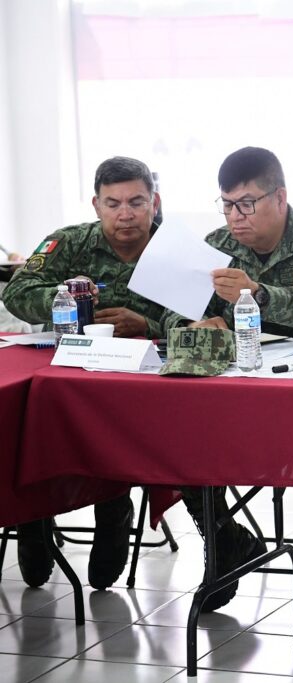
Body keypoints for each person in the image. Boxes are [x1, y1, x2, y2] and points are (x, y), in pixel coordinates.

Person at [162, 147, 293, 642]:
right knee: (174, 437)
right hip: (243, 393)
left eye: (248, 203)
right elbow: (164, 313)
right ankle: (227, 541)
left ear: (280, 197)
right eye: (227, 204)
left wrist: (258, 294)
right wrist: (193, 321)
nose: (236, 216)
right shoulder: (213, 246)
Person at [2, 156, 167, 590]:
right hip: (67, 370)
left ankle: (115, 507)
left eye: (136, 201)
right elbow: (18, 293)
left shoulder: (176, 250)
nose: (125, 214)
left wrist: (146, 325)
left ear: (155, 202)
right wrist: (62, 297)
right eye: (113, 203)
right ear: (96, 204)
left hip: (145, 380)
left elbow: (207, 316)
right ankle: (35, 516)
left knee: (113, 428)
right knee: (32, 418)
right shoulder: (69, 242)